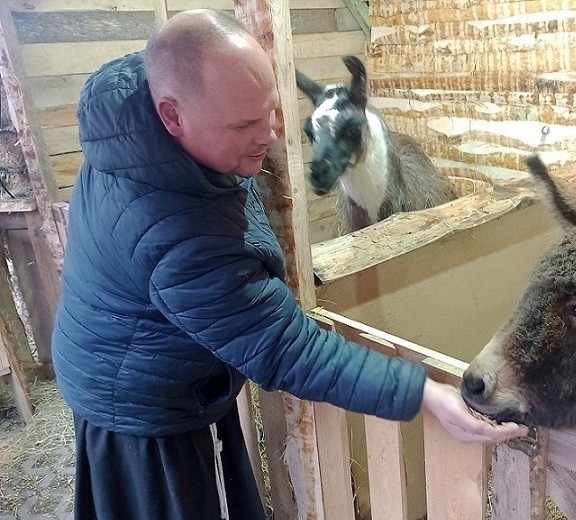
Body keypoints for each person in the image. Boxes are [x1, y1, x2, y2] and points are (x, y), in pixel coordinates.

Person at [51, 8, 528, 520]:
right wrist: (425, 394)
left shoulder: (134, 124)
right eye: (244, 124)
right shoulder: (178, 234)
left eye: (273, 111)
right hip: (138, 403)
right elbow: (286, 349)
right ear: (172, 115)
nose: (271, 136)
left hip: (152, 358)